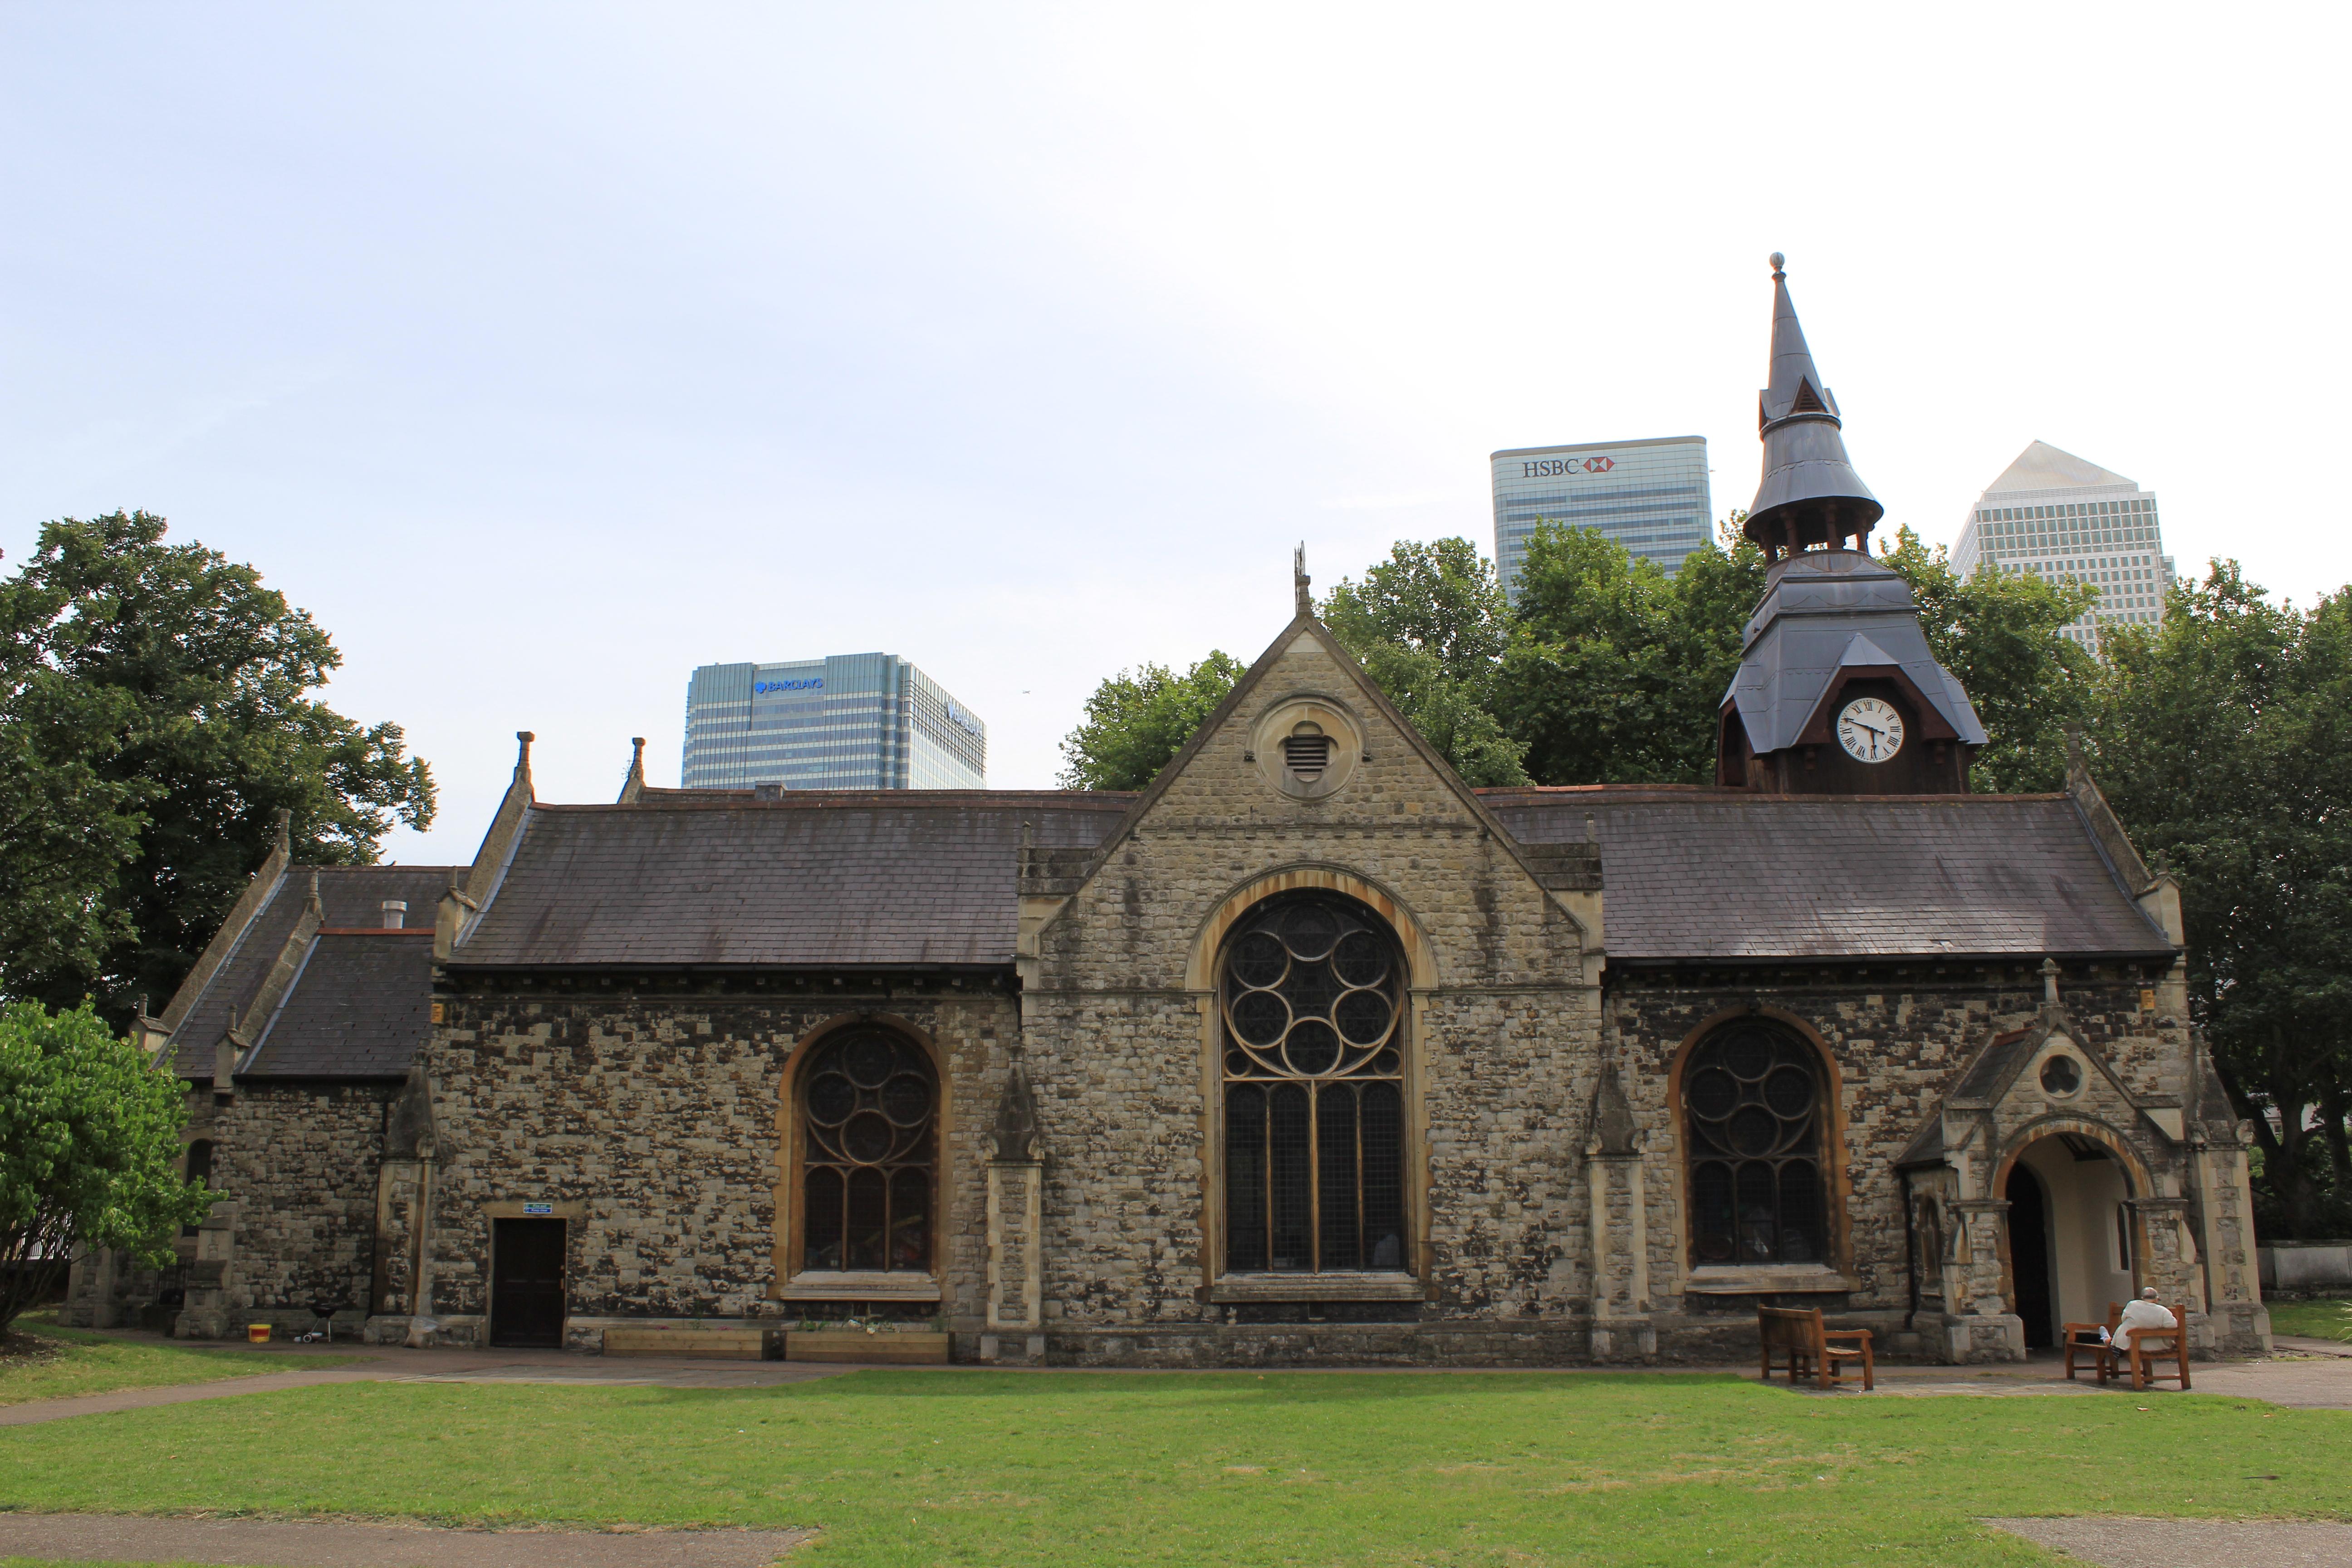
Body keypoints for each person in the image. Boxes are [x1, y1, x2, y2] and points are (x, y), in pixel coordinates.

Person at [2105, 1287, 2177, 1362]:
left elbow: (2124, 1319)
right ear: (2156, 1299)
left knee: (2121, 1331)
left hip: (2131, 1345)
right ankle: (2107, 1339)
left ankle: (2107, 1339)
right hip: (2157, 1345)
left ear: (2142, 1298)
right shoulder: (2163, 1311)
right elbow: (2173, 1325)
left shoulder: (2132, 1305)